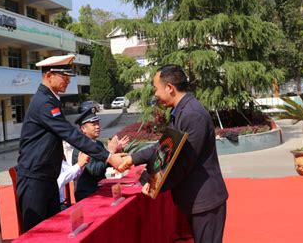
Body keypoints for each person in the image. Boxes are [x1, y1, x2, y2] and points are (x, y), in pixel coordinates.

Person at [118, 65, 229, 243]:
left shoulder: (192, 115)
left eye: (156, 88)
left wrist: (152, 184)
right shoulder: (180, 111)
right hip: (194, 198)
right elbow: (165, 146)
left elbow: (184, 163)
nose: (155, 93)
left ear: (169, 87)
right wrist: (133, 158)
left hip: (204, 200)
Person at [17, 54, 126, 232]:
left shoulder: (51, 99)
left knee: (53, 232)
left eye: (69, 76)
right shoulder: (44, 102)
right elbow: (71, 134)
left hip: (47, 178)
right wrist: (108, 157)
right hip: (35, 180)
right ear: (49, 75)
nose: (68, 80)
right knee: (36, 234)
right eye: (64, 76)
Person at [71, 108, 130, 202]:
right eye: (93, 124)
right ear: (83, 129)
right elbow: (95, 170)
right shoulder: (81, 147)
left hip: (100, 188)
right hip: (87, 194)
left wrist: (115, 152)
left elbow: (106, 165)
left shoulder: (98, 144)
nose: (97, 127)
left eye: (98, 123)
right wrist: (110, 152)